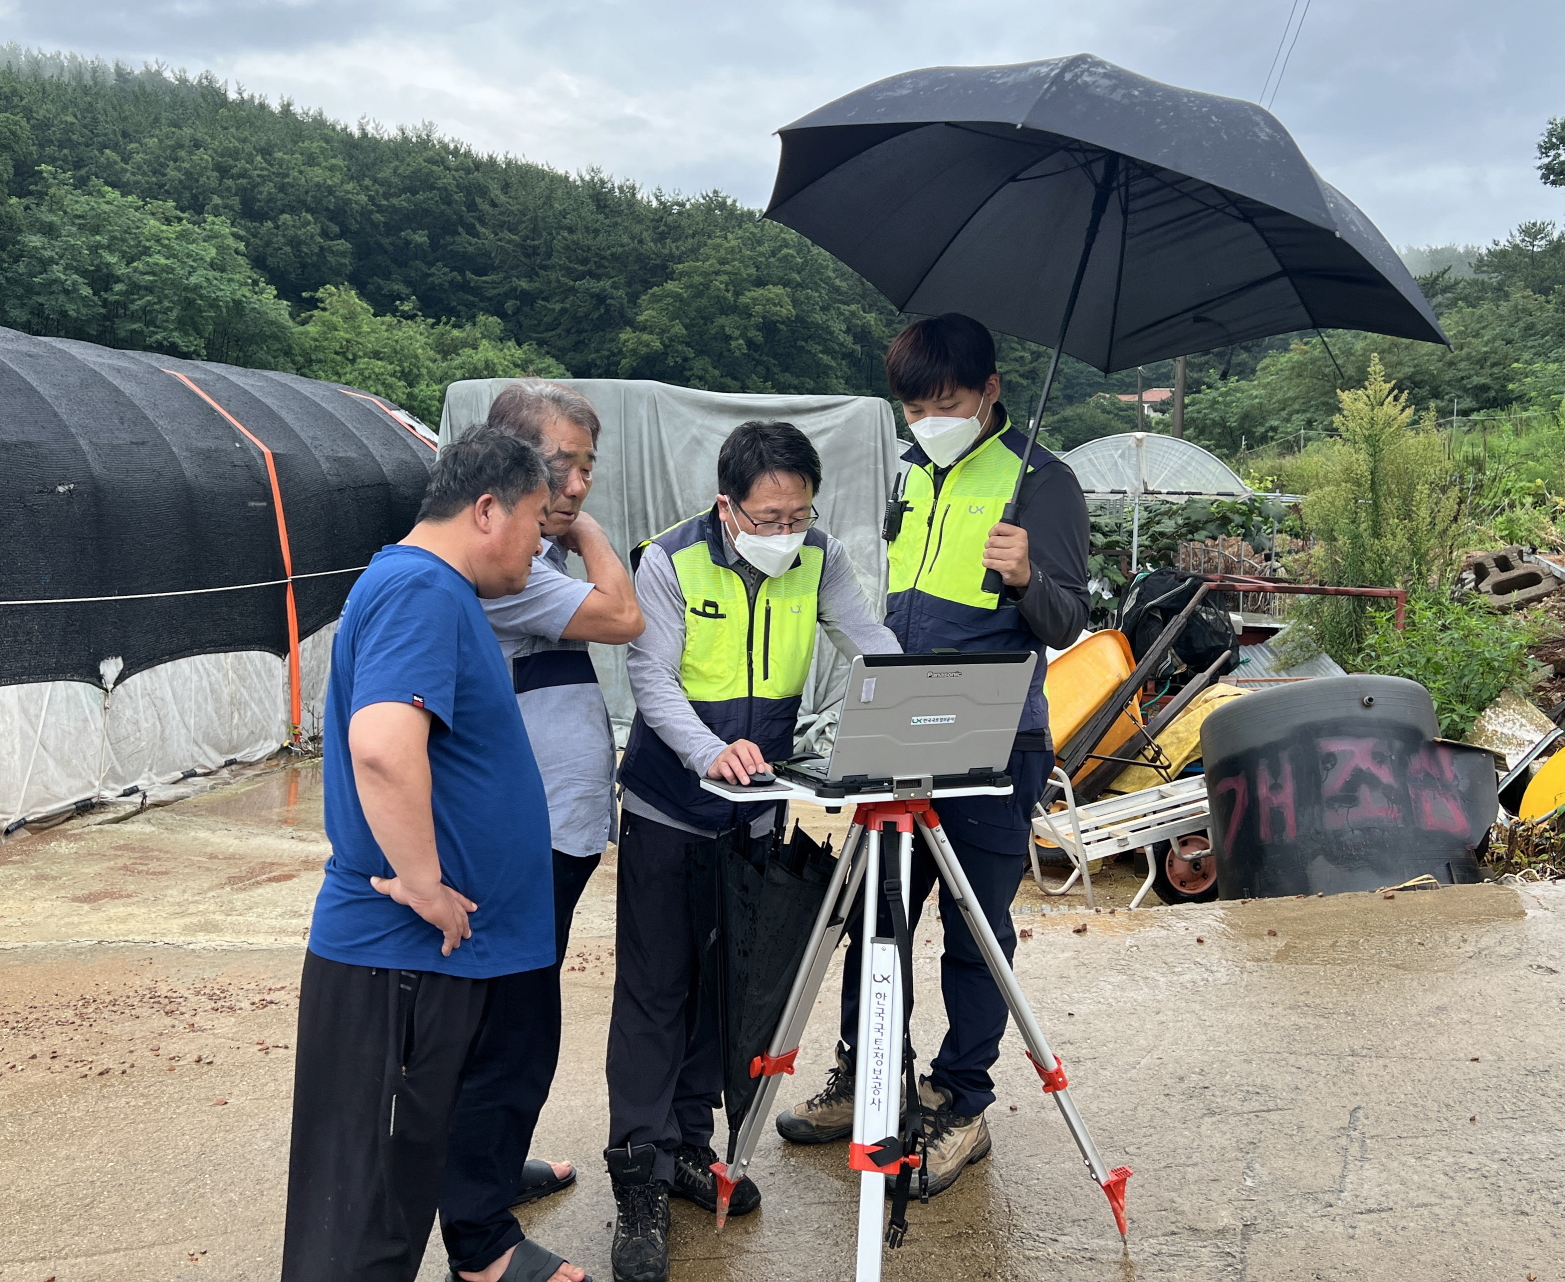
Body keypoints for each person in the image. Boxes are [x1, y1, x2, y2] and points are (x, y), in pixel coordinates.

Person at [776, 313, 1090, 1196]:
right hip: (904, 724)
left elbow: (1067, 621)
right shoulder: (912, 473)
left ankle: (961, 1098)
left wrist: (1030, 577)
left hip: (997, 736)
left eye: (944, 403)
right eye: (913, 406)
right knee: (874, 913)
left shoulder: (1045, 482)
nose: (927, 419)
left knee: (973, 928)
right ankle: (865, 1073)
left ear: (990, 391)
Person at [281, 425, 586, 1282]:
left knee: (388, 1191)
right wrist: (424, 884)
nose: (540, 542)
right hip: (401, 958)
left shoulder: (424, 587)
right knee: (366, 1212)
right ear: (486, 508)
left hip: (417, 961)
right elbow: (382, 745)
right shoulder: (422, 589)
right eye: (536, 520)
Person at [604, 421, 899, 1282]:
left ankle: (692, 1145)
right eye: (767, 518)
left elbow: (866, 640)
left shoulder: (820, 556)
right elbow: (650, 677)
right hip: (672, 805)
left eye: (798, 514)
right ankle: (640, 1177)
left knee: (725, 987)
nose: (785, 534)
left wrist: (920, 700)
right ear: (726, 506)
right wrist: (707, 750)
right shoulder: (668, 560)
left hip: (756, 815)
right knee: (655, 990)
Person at [439, 382, 642, 1280]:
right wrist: (586, 533)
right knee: (512, 1028)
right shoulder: (506, 576)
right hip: (521, 839)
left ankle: (487, 1170)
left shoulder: (531, 567)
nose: (575, 485)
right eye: (558, 466)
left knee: (524, 1014)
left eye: (588, 467)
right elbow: (623, 614)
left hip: (556, 833)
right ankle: (479, 1240)